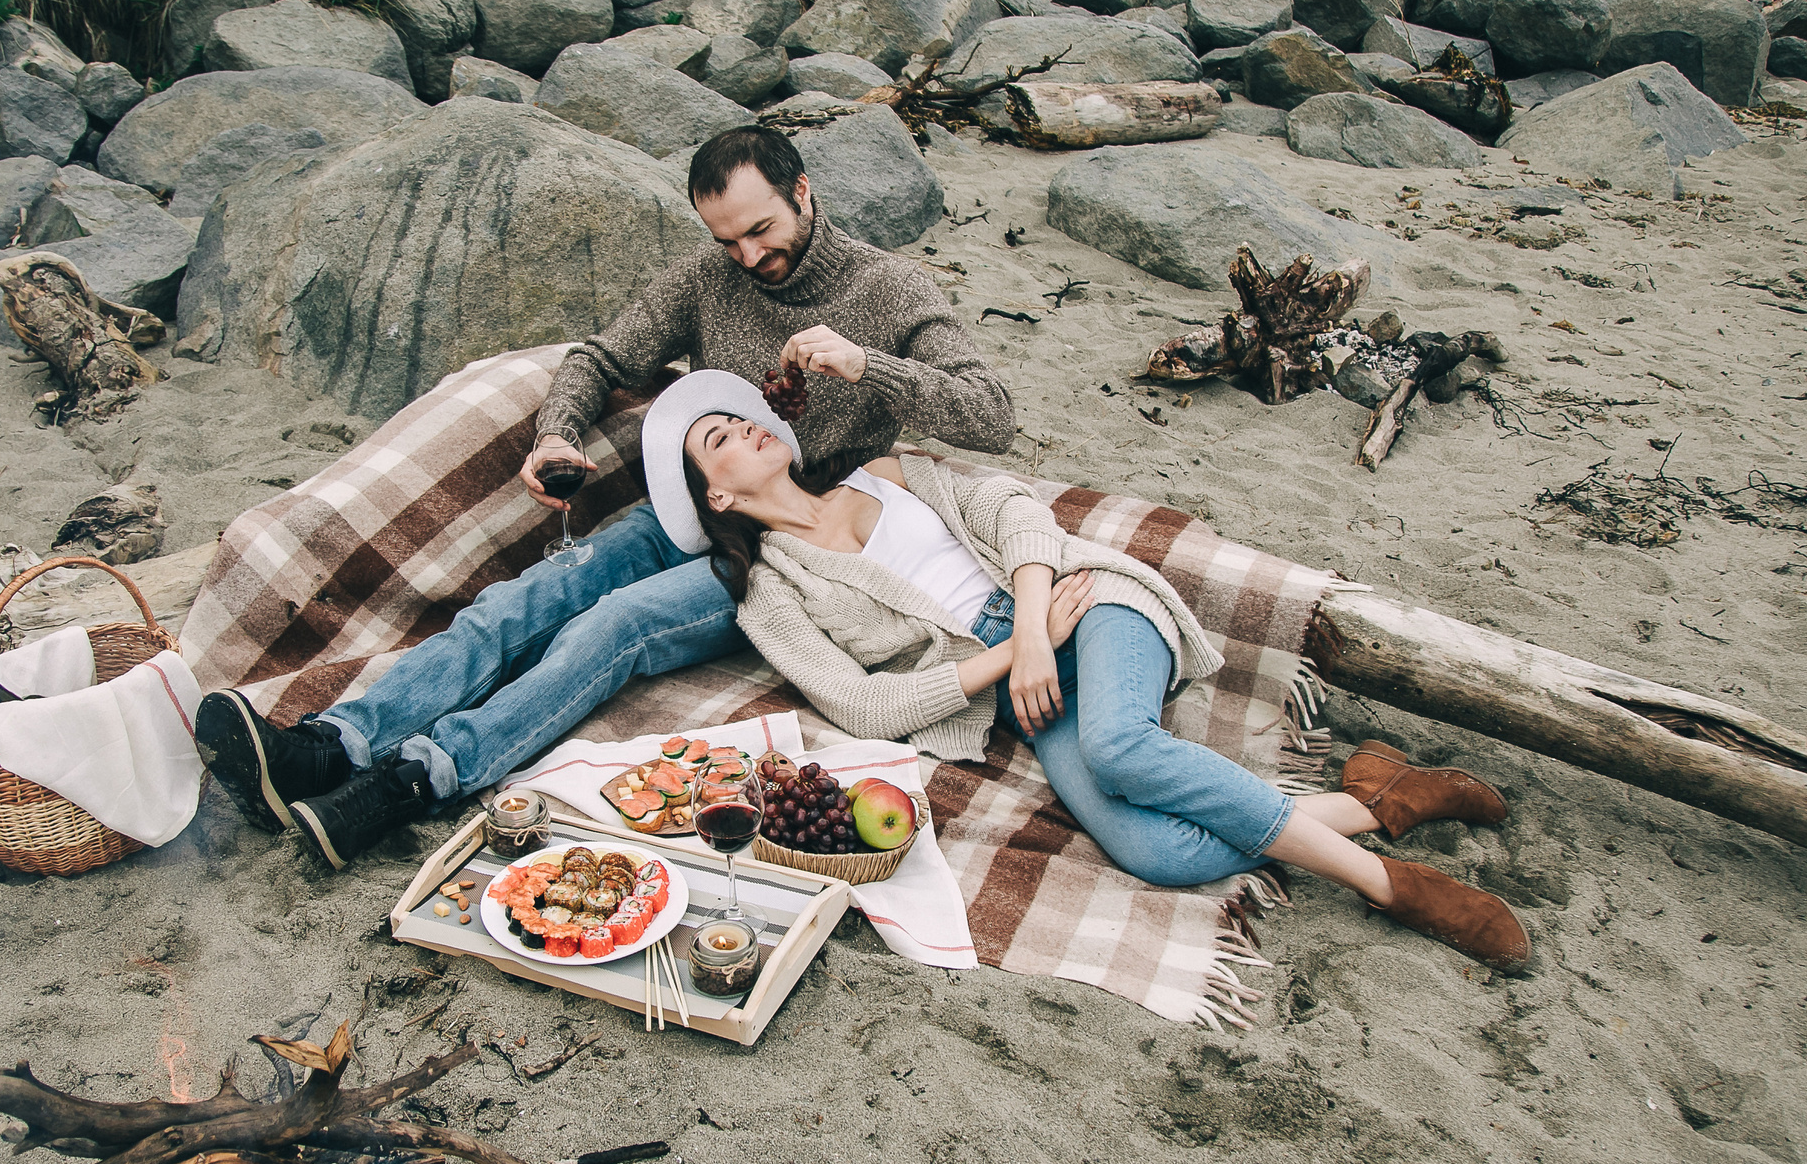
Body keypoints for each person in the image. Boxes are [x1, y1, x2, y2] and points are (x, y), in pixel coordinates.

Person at [196, 125, 1017, 868]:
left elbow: (992, 414)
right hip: (691, 497)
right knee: (526, 597)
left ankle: (418, 779)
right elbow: (599, 357)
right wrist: (558, 430)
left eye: (760, 230)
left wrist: (867, 364)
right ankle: (332, 746)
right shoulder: (708, 279)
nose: (746, 257)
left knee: (614, 626)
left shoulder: (889, 289)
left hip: (785, 540)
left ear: (803, 190)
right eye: (725, 240)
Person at [647, 369, 1534, 970]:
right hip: (1014, 679)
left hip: (1080, 600)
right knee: (1154, 847)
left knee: (1116, 747)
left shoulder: (885, 473)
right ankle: (1385, 798)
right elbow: (862, 701)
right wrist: (1006, 658)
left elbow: (1017, 510)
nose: (750, 428)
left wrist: (1032, 624)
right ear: (717, 495)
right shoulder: (768, 591)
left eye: (746, 416)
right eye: (721, 437)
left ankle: (1393, 886)